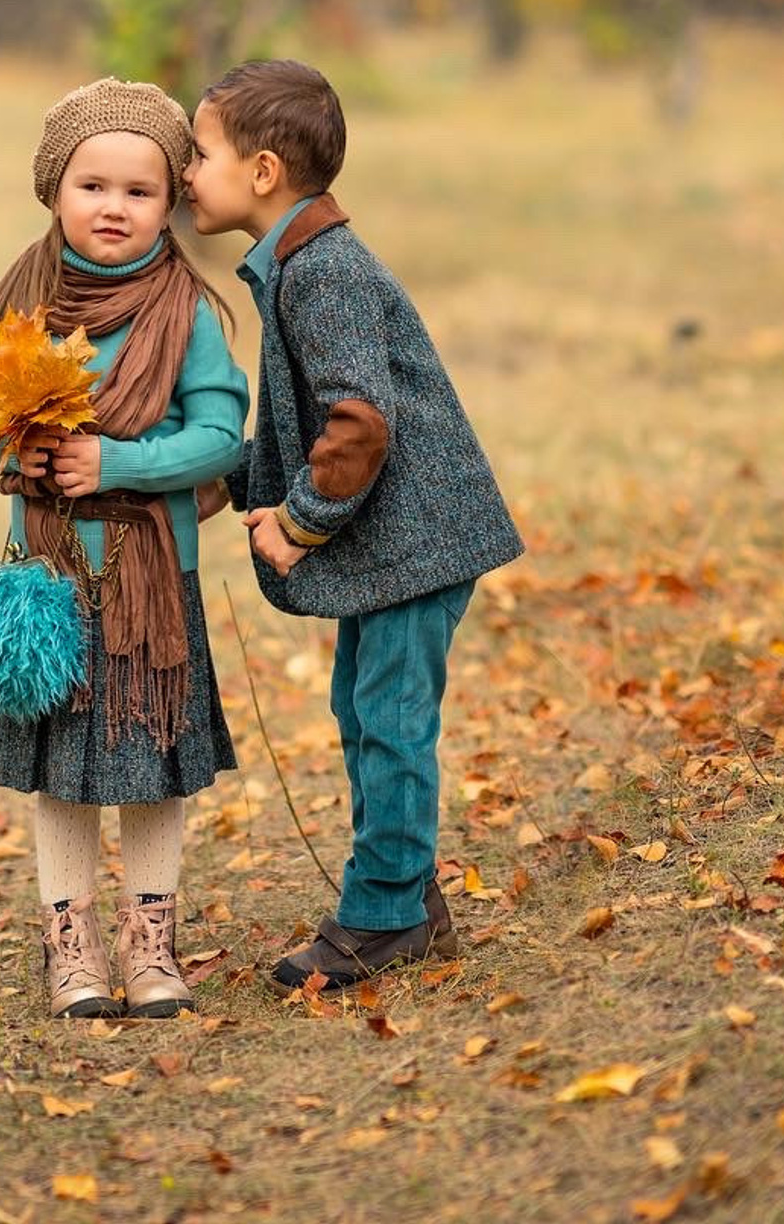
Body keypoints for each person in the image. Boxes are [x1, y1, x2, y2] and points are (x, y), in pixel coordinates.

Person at [182, 59, 523, 990]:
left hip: (418, 538)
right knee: (366, 711)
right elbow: (303, 418)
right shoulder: (298, 263)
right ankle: (410, 898)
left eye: (199, 152)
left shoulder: (320, 273)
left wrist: (297, 521)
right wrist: (229, 480)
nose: (184, 170)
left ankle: (380, 920)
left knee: (389, 719)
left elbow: (359, 422)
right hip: (396, 543)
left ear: (261, 173)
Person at [0, 77, 249, 1019]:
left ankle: (151, 944)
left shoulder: (187, 312)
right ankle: (71, 946)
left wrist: (119, 459)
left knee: (151, 763)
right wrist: (10, 443)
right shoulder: (24, 301)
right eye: (93, 186)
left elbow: (224, 436)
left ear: (171, 203)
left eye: (139, 191)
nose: (113, 207)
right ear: (55, 191)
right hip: (49, 583)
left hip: (152, 580)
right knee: (64, 776)